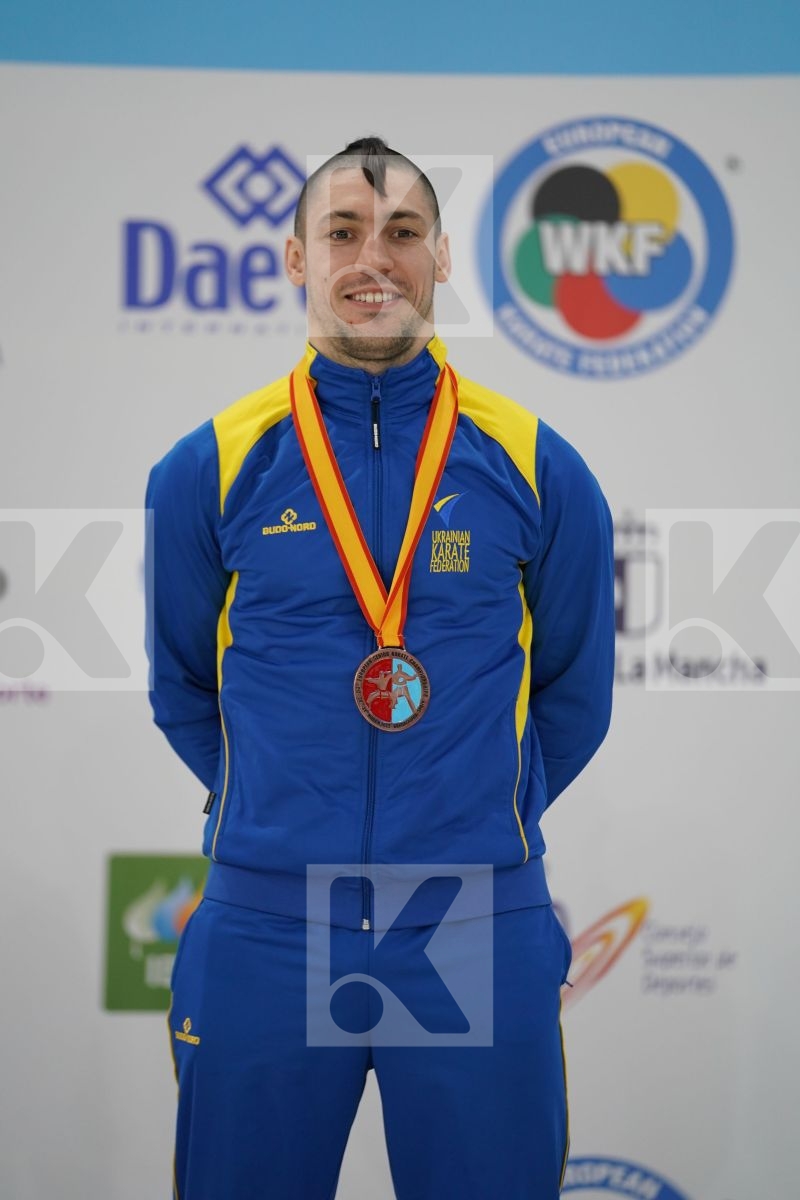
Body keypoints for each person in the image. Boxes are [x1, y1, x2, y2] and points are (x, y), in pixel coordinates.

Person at [145, 136, 615, 1200]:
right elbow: (181, 685)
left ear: (442, 258)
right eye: (342, 232)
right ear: (293, 259)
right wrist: (270, 808)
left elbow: (575, 696)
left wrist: (466, 814)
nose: (373, 258)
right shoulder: (211, 464)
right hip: (268, 925)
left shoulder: (533, 461)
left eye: (402, 232)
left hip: (468, 925)